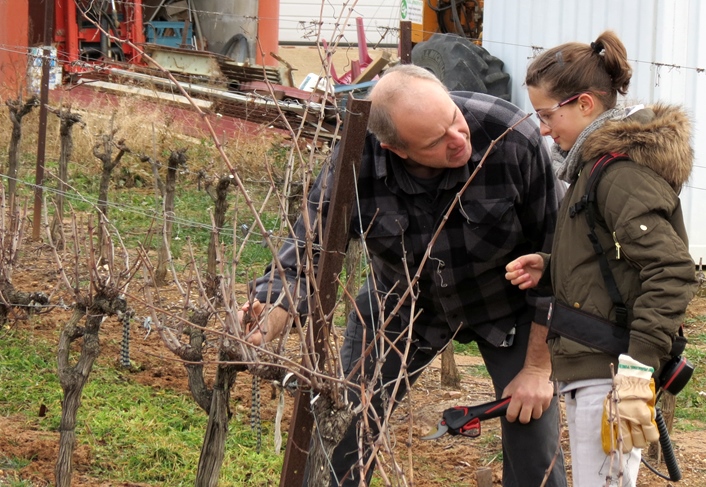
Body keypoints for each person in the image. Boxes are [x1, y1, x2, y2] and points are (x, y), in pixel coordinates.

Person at [242, 64, 567, 487]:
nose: (458, 138)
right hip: (401, 302)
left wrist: (539, 370)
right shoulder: (358, 156)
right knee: (346, 425)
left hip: (508, 305)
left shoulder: (510, 136)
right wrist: (277, 302)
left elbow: (557, 255)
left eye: (454, 119)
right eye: (436, 141)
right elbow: (312, 244)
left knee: (532, 441)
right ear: (396, 149)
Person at [505, 31, 698, 487]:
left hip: (613, 371)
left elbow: (671, 271)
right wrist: (550, 267)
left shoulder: (617, 174)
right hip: (596, 366)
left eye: (548, 115)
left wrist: (636, 371)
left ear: (585, 104)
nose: (545, 129)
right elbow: (615, 263)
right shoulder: (592, 171)